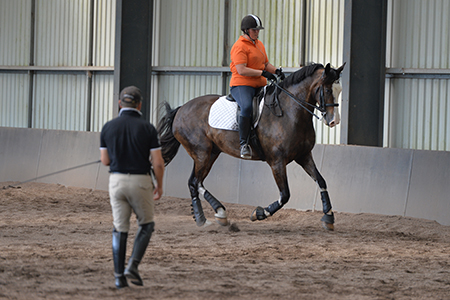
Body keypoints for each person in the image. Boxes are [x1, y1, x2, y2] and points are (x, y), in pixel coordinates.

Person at [100, 86, 165, 289]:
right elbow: (158, 163)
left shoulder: (108, 127)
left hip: (116, 182)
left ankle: (119, 277)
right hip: (140, 182)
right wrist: (160, 186)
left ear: (120, 104)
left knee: (120, 228)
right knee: (146, 224)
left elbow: (105, 161)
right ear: (139, 105)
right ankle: (133, 266)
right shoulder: (147, 128)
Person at [230, 14, 285, 159]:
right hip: (242, 85)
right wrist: (263, 73)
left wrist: (276, 71)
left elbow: (266, 64)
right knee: (247, 107)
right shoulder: (239, 46)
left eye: (258, 30)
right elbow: (241, 69)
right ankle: (243, 144)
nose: (257, 32)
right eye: (254, 30)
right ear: (246, 30)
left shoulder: (259, 44)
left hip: (259, 84)